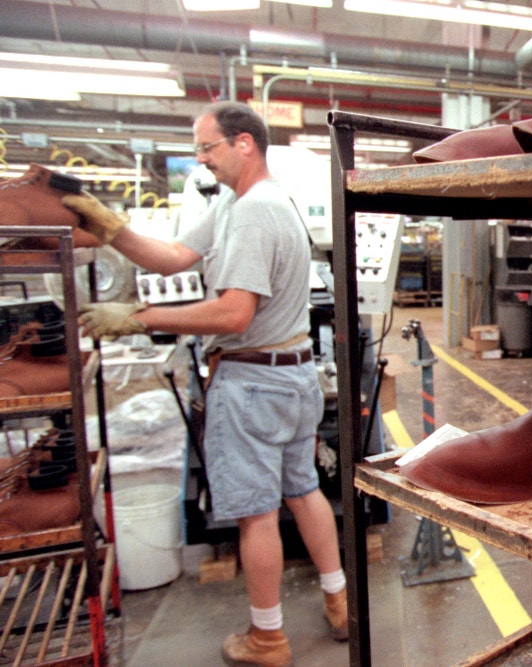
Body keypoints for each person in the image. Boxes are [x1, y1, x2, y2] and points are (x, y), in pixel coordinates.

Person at [63, 101, 346, 667]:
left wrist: (139, 317)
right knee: (304, 490)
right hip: (293, 376)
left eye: (206, 147)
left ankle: (267, 638)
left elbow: (232, 314)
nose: (200, 160)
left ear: (244, 143)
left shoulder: (253, 211)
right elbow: (174, 257)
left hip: (251, 385)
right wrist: (115, 231)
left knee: (258, 514)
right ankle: (341, 604)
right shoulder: (243, 205)